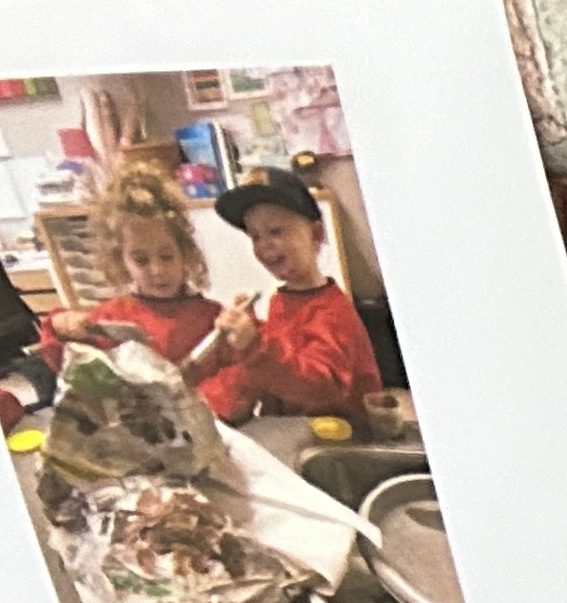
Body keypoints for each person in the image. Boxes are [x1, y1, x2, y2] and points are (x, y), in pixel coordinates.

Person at [187, 176, 382, 424]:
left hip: (347, 434)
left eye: (275, 231)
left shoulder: (331, 312)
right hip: (298, 429)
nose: (264, 245)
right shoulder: (280, 301)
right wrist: (204, 402)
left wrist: (254, 345)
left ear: (316, 234)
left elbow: (320, 388)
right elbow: (272, 373)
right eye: (255, 236)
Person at [36, 172, 217, 370]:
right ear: (121, 261)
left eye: (166, 257)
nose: (157, 270)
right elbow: (65, 363)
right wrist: (61, 326)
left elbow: (236, 373)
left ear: (185, 253)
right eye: (141, 261)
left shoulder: (211, 318)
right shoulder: (112, 318)